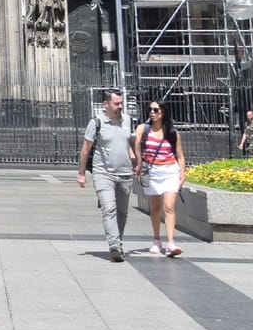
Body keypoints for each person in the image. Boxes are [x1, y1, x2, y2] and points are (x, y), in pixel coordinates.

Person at [76, 89, 135, 262]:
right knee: (109, 208)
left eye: (121, 103)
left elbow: (131, 143)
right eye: (117, 103)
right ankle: (114, 245)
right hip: (103, 173)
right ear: (106, 104)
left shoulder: (128, 121)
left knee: (122, 213)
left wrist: (137, 162)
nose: (120, 106)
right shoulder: (96, 123)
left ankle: (118, 241)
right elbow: (86, 149)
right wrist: (81, 173)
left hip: (125, 172)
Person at [133, 98, 186, 256]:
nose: (152, 112)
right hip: (152, 171)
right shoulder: (144, 128)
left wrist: (182, 173)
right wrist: (137, 161)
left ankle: (171, 242)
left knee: (169, 207)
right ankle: (157, 240)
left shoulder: (172, 133)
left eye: (156, 110)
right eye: (150, 109)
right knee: (155, 208)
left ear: (163, 112)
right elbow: (133, 143)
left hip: (170, 170)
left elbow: (180, 156)